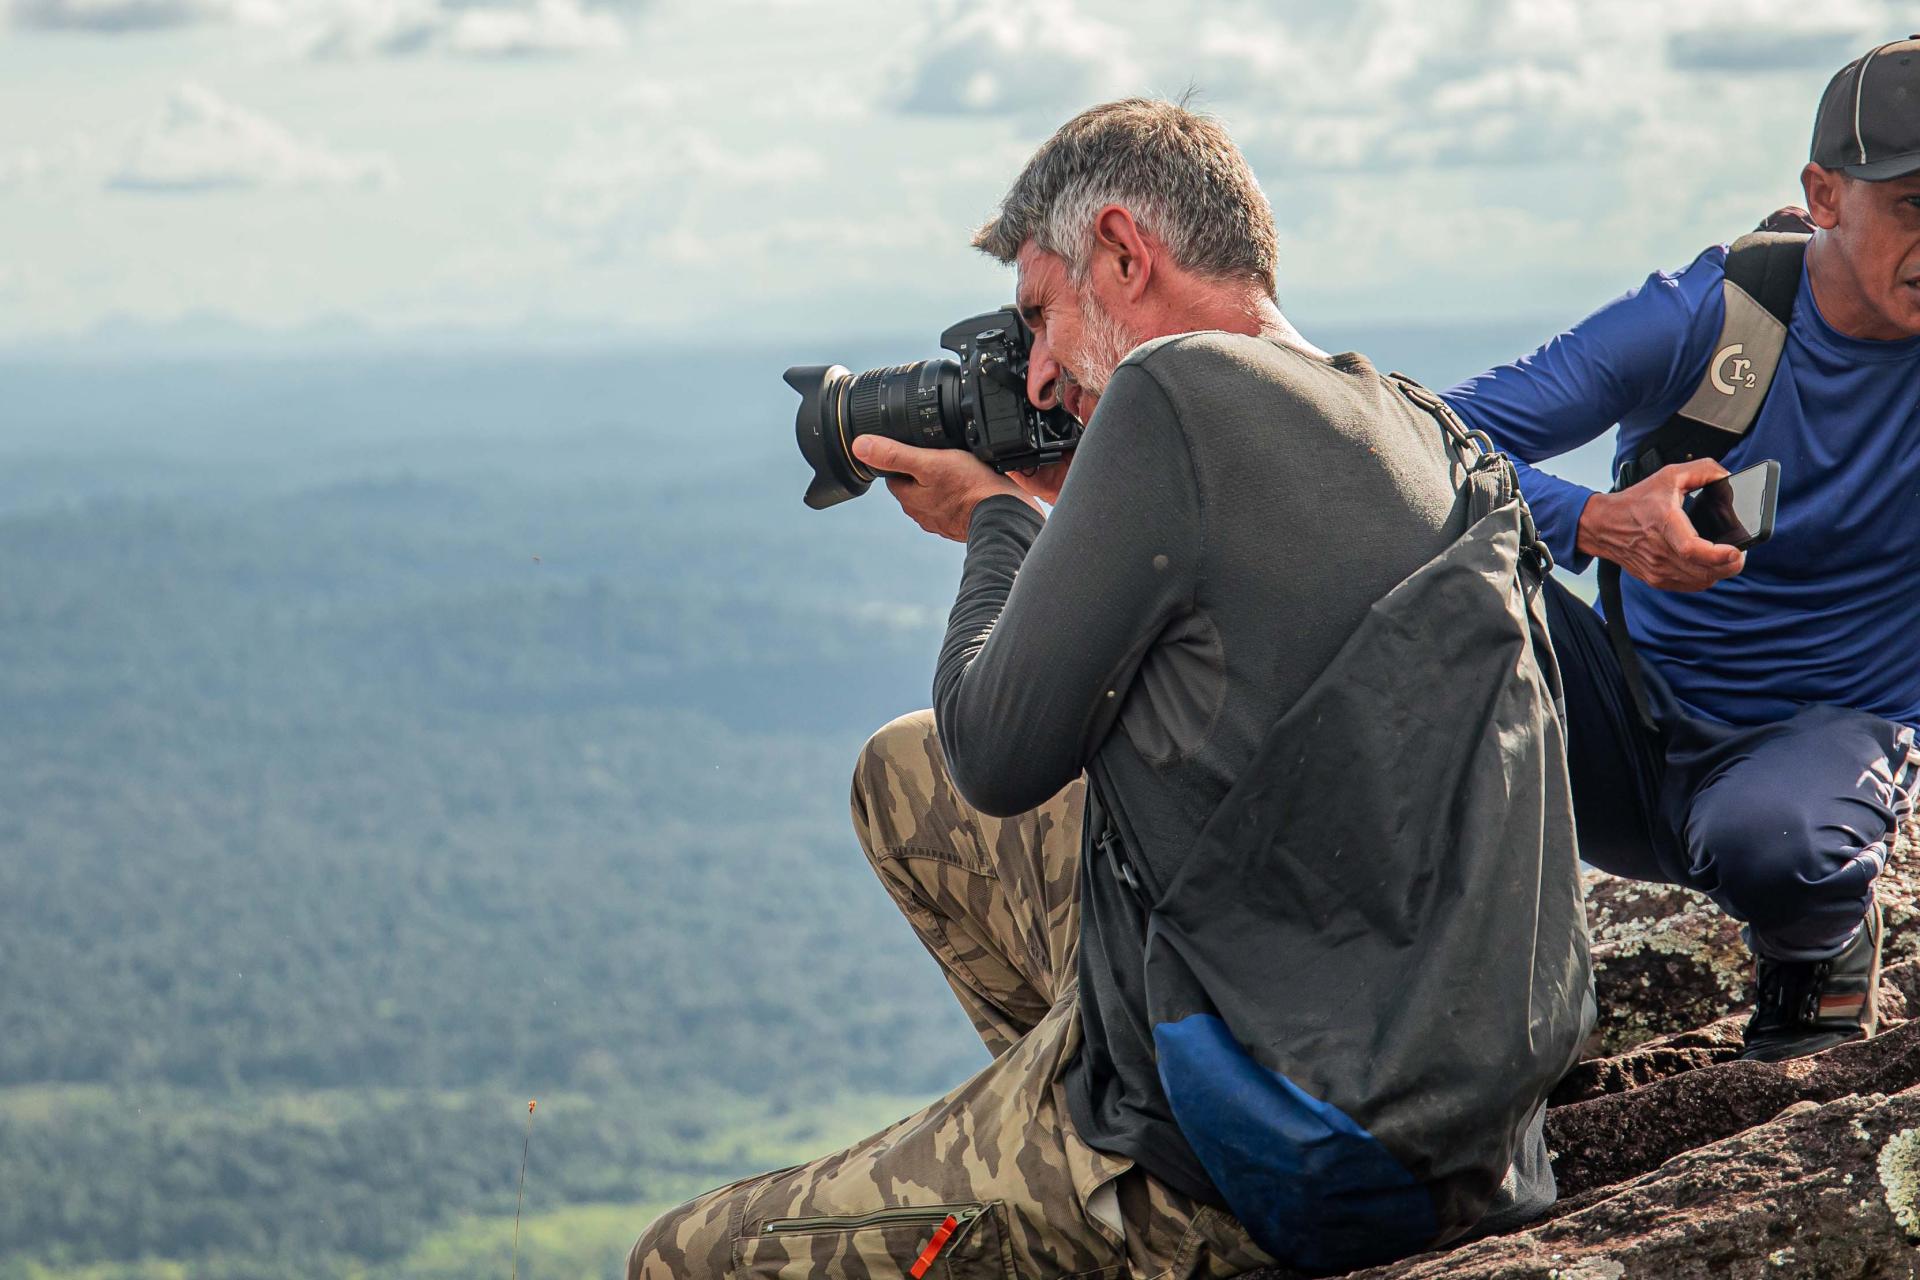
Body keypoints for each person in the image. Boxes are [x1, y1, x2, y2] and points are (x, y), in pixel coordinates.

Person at [629, 98, 1590, 1280]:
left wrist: (994, 518)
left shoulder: (1174, 392)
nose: (1035, 367)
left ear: (1127, 254)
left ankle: (1110, 1196)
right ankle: (1070, 1123)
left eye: (1041, 312)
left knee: (677, 1258)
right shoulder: (1412, 422)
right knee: (898, 775)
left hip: (1262, 1148)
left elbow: (996, 750)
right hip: (1442, 1098)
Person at [1443, 36, 1920, 1063]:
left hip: (1807, 754)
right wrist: (1594, 520)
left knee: (1779, 843)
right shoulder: (1717, 317)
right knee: (1421, 577)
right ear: (1825, 194)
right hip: (1615, 718)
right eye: (1914, 205)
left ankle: (1815, 949)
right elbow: (1425, 434)